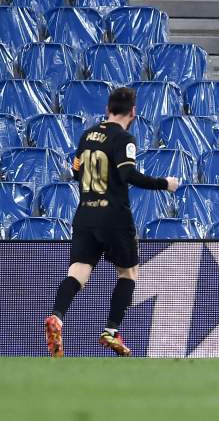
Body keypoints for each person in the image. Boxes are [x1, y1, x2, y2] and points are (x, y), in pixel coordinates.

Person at [44, 88, 180, 358]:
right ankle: (111, 330)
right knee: (128, 273)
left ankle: (57, 317)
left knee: (78, 272)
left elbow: (74, 172)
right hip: (114, 216)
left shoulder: (87, 136)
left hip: (85, 215)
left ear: (108, 109)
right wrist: (165, 184)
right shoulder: (124, 138)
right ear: (133, 112)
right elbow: (128, 174)